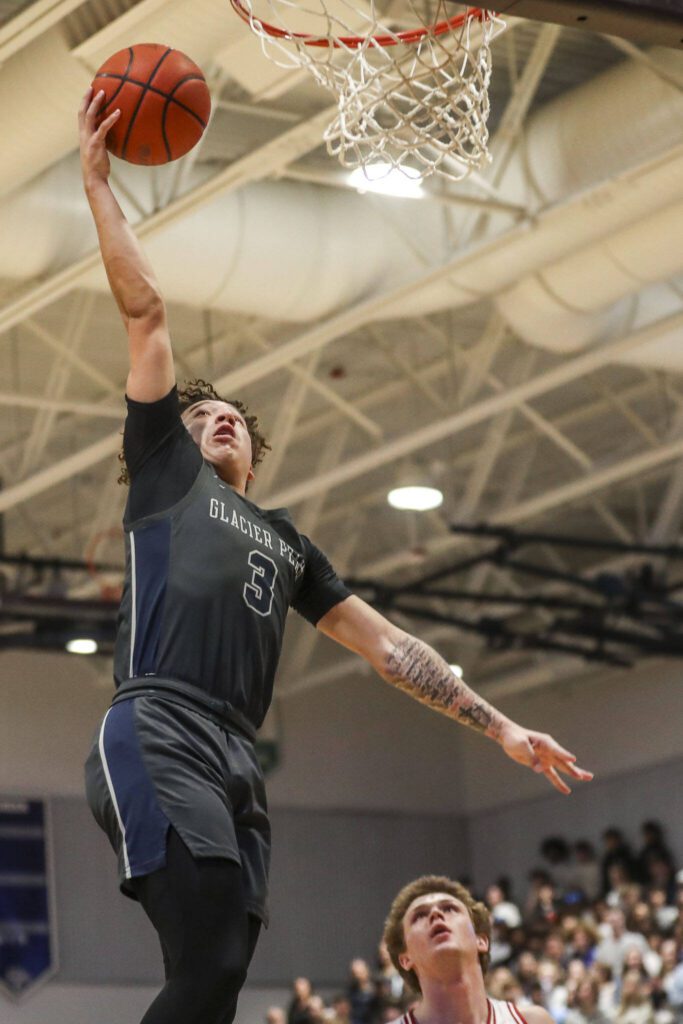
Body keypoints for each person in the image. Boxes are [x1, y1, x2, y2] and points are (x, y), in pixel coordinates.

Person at [78, 85, 593, 1024]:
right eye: (199, 415)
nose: (217, 416)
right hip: (159, 725)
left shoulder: (287, 544)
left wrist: (502, 728)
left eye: (229, 414)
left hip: (237, 748)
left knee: (224, 970)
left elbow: (390, 649)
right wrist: (98, 184)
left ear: (253, 448)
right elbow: (147, 312)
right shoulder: (163, 478)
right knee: (202, 951)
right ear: (171, 438)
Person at [382, 875, 558, 1024]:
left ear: (481, 940)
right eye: (419, 915)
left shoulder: (533, 1020)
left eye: (449, 908)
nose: (436, 914)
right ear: (405, 958)